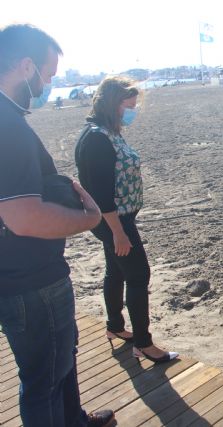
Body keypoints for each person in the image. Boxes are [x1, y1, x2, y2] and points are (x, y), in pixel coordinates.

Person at [0, 24, 115, 427]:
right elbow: (23, 216)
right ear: (25, 65)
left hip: (21, 276)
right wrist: (88, 219)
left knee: (61, 360)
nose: (49, 83)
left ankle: (76, 420)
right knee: (43, 380)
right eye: (47, 74)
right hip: (31, 282)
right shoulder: (8, 128)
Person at [75, 76, 178, 364]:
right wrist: (118, 233)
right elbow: (102, 193)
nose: (132, 111)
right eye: (128, 106)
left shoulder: (105, 131)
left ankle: (115, 326)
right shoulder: (96, 138)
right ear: (111, 104)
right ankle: (143, 344)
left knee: (116, 270)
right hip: (114, 221)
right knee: (138, 275)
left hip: (115, 220)